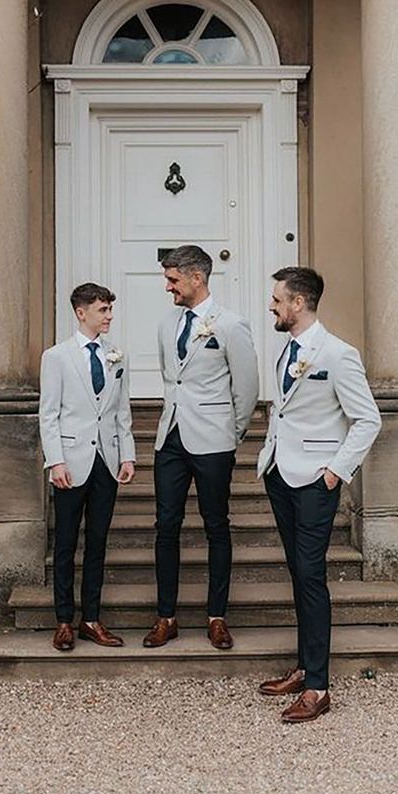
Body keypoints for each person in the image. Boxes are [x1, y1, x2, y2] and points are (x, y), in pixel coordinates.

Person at [257, 266, 381, 723]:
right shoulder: (285, 346)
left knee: (310, 575)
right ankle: (305, 665)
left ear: (298, 303)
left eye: (277, 299)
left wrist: (335, 471)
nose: (271, 305)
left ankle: (318, 688)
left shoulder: (338, 354)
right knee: (299, 572)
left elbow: (368, 419)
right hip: (280, 473)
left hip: (315, 479)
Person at [143, 245, 259, 651]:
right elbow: (169, 378)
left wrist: (232, 433)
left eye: (173, 279)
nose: (168, 287)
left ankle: (217, 617)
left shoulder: (230, 324)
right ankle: (166, 617)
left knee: (216, 526)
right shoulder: (166, 324)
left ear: (197, 278)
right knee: (165, 527)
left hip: (213, 441)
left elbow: (247, 388)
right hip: (169, 439)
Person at [39, 282, 136, 653]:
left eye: (110, 310)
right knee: (65, 544)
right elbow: (49, 414)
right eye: (102, 310)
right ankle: (64, 621)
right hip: (70, 463)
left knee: (97, 543)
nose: (109, 316)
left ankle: (91, 620)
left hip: (106, 462)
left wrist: (126, 455)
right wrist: (56, 460)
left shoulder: (117, 355)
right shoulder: (57, 357)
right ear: (82, 313)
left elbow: (121, 411)